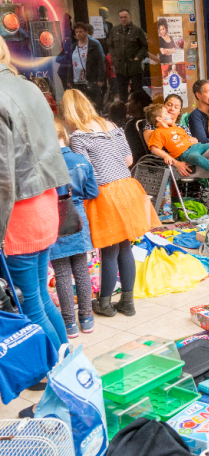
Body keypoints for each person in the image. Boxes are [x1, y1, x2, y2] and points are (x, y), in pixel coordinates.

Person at [0, 35, 71, 350]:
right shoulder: (26, 85)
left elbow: (3, 175)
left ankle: (59, 372)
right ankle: (67, 360)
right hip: (44, 202)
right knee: (41, 297)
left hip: (18, 213)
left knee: (31, 303)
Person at [61, 88, 150, 318]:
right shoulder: (113, 127)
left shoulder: (79, 136)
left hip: (104, 194)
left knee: (109, 250)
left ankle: (104, 303)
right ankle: (128, 302)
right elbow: (129, 160)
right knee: (126, 247)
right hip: (127, 188)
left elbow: (85, 171)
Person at [50, 119, 99, 339]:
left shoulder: (46, 164)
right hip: (78, 215)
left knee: (61, 274)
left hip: (54, 219)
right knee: (81, 271)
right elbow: (92, 192)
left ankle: (69, 324)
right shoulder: (80, 160)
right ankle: (87, 319)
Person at [145, 104, 209, 196]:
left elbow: (188, 138)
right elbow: (154, 148)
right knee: (197, 157)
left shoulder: (177, 128)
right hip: (185, 155)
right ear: (159, 119)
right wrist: (166, 156)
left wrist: (194, 139)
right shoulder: (157, 132)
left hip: (197, 147)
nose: (169, 114)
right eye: (166, 113)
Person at [57, 21, 106, 110]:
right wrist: (69, 79)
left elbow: (100, 62)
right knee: (79, 104)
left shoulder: (93, 45)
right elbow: (70, 64)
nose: (79, 34)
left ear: (86, 32)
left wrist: (101, 79)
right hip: (77, 80)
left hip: (90, 79)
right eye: (77, 32)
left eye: (81, 31)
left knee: (92, 103)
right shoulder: (73, 46)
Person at [106, 9, 148, 102]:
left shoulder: (137, 30)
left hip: (134, 65)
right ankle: (124, 111)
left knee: (137, 91)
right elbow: (110, 45)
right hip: (120, 66)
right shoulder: (115, 30)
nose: (123, 19)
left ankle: (138, 111)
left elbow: (144, 46)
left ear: (130, 17)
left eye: (125, 17)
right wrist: (114, 58)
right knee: (122, 92)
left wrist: (138, 58)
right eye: (121, 17)